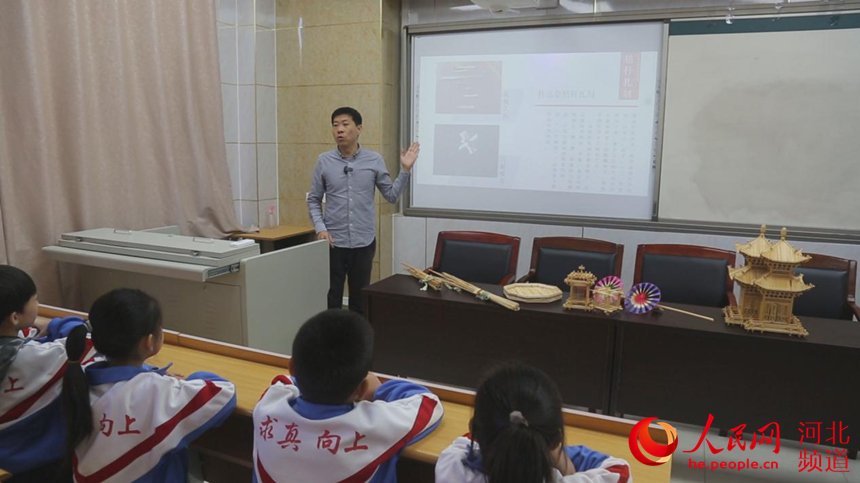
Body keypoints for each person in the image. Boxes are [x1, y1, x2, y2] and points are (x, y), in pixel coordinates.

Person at [61, 288, 236, 482]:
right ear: (149, 342)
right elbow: (223, 392)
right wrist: (187, 380)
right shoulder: (157, 390)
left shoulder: (77, 377)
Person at [253, 309, 443, 482]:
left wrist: (311, 378)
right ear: (360, 389)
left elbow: (283, 382)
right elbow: (428, 403)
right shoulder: (378, 424)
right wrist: (378, 389)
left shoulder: (267, 408)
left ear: (292, 366)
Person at [435, 363, 632, 483]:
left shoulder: (451, 466)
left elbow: (471, 440)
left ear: (475, 429)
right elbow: (620, 470)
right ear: (555, 440)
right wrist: (557, 456)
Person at [308, 107, 420, 314]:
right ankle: (332, 341)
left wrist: (405, 170)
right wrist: (320, 228)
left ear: (358, 129)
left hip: (363, 241)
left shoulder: (374, 160)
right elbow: (314, 200)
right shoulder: (324, 161)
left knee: (359, 298)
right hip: (332, 241)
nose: (339, 130)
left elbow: (391, 195)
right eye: (335, 125)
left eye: (345, 124)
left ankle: (356, 341)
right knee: (332, 296)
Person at [0, 265, 93, 482]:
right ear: (14, 317)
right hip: (31, 467)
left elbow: (24, 334)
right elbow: (86, 340)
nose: (38, 304)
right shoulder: (33, 358)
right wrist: (56, 323)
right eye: (35, 299)